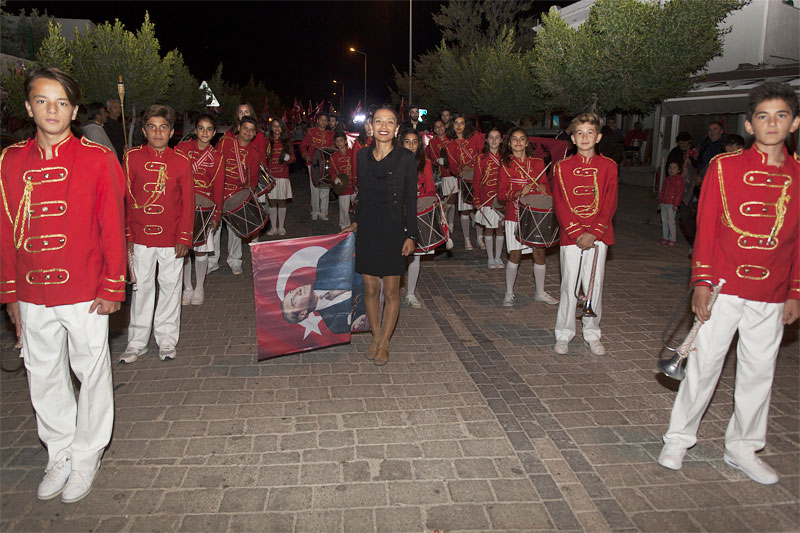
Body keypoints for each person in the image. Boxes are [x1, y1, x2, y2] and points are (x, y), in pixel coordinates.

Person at [658, 82, 800, 485]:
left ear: (794, 122)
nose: (772, 123)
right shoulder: (724, 167)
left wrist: (795, 291)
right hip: (722, 285)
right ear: (750, 125)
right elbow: (705, 230)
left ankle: (743, 448)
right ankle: (678, 438)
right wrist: (701, 280)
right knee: (703, 366)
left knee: (759, 372)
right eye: (762, 116)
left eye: (781, 115)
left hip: (771, 292)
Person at [1, 67, 125, 504]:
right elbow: (4, 229)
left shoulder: (97, 158)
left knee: (90, 373)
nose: (51, 110)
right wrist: (9, 292)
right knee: (43, 374)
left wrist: (113, 285)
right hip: (32, 290)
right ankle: (59, 451)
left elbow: (113, 225)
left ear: (73, 109)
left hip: (85, 288)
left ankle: (87, 453)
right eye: (41, 100)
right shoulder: (10, 160)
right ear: (28, 106)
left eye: (60, 102)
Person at [341, 107, 417, 366]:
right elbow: (362, 196)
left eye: (390, 122)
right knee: (370, 288)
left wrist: (412, 234)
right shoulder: (361, 156)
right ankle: (375, 337)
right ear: (370, 127)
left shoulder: (406, 158)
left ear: (396, 129)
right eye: (379, 121)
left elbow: (411, 199)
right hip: (369, 228)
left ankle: (384, 343)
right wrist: (355, 222)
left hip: (394, 229)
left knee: (391, 290)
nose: (384, 126)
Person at [121, 104, 194, 363]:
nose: (158, 132)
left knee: (170, 289)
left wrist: (184, 237)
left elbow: (188, 203)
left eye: (163, 127)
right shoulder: (131, 158)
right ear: (144, 131)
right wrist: (128, 236)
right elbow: (126, 200)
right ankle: (137, 342)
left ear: (172, 132)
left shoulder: (182, 162)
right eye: (152, 127)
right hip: (141, 238)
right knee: (141, 290)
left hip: (172, 239)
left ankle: (166, 340)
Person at [552, 113, 618, 356]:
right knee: (569, 285)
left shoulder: (609, 166)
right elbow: (559, 204)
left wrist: (593, 233)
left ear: (598, 137)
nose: (585, 137)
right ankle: (564, 333)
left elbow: (610, 203)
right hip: (571, 237)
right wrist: (578, 232)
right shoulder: (561, 167)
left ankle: (592, 333)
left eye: (590, 132)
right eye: (579, 133)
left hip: (598, 237)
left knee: (594, 286)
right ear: (572, 138)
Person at [497, 127, 559, 306]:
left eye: (521, 139)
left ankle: (540, 292)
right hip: (514, 214)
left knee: (539, 252)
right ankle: (509, 293)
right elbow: (501, 195)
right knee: (515, 254)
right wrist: (517, 192)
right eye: (514, 139)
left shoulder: (538, 163)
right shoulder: (506, 164)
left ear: (526, 142)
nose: (518, 142)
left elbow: (546, 190)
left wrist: (542, 190)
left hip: (535, 215)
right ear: (509, 143)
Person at [176, 114, 224, 305]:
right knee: (185, 249)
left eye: (209, 129)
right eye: (201, 128)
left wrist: (216, 214)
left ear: (214, 133)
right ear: (195, 130)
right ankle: (187, 287)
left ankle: (200, 287)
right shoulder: (182, 149)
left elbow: (218, 188)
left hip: (204, 207)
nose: (205, 132)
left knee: (201, 250)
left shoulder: (217, 157)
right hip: (182, 205)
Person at [212, 116, 263, 275]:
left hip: (236, 195)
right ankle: (211, 261)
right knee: (215, 228)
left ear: (254, 133)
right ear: (239, 128)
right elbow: (214, 163)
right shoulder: (226, 142)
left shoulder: (254, 152)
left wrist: (247, 194)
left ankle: (235, 260)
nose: (248, 132)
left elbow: (253, 178)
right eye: (245, 128)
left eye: (251, 130)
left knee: (235, 230)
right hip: (218, 191)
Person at [281, 237, 358, 334]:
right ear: (302, 314)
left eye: (291, 292)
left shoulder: (325, 263)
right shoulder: (335, 325)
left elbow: (354, 238)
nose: (296, 291)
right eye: (293, 300)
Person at [401, 129, 436, 309]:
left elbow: (430, 190)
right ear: (401, 143)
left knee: (415, 255)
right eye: (407, 142)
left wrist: (427, 203)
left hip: (417, 213)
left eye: (415, 142)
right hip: (398, 213)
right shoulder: (393, 162)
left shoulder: (426, 164)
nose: (411, 145)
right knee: (395, 254)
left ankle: (410, 293)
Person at [444, 113, 485, 250]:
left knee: (479, 209)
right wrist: (462, 169)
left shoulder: (475, 137)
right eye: (456, 123)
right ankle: (467, 240)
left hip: (479, 178)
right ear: (452, 125)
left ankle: (480, 238)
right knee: (465, 211)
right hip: (464, 181)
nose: (459, 126)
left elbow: (483, 154)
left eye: (462, 123)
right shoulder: (450, 146)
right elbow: (453, 167)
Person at [473, 127, 505, 269]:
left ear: (501, 140)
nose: (494, 140)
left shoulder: (506, 158)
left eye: (497, 137)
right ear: (486, 140)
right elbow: (476, 181)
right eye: (491, 137)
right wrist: (477, 199)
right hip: (486, 197)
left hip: (501, 199)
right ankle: (490, 258)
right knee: (489, 229)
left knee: (499, 229)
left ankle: (498, 257)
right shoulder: (481, 159)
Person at [300, 113, 335, 220]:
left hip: (326, 165)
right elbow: (302, 146)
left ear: (328, 122)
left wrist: (333, 146)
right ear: (317, 120)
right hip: (313, 164)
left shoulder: (331, 133)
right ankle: (315, 211)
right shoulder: (311, 131)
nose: (323, 122)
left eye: (325, 120)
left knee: (325, 187)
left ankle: (324, 212)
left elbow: (333, 146)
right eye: (321, 119)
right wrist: (306, 156)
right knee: (314, 188)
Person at [265, 118, 296, 236]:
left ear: (282, 128)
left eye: (279, 126)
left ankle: (281, 226)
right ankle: (273, 227)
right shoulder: (267, 141)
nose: (277, 128)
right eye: (274, 126)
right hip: (270, 176)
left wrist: (289, 158)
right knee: (272, 202)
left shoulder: (287, 142)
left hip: (283, 176)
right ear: (271, 128)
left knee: (282, 201)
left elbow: (293, 158)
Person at [426, 119, 455, 236]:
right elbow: (433, 159)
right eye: (436, 127)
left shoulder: (451, 138)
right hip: (444, 174)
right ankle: (448, 221)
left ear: (445, 126)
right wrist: (438, 161)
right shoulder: (433, 142)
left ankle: (452, 222)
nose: (439, 129)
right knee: (448, 199)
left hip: (456, 172)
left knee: (456, 200)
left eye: (441, 126)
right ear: (434, 130)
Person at [330, 132, 355, 230]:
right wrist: (335, 178)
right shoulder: (333, 157)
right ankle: (345, 227)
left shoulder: (352, 152)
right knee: (344, 209)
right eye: (337, 141)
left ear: (345, 141)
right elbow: (331, 171)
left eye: (341, 140)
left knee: (359, 207)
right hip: (343, 186)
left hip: (354, 185)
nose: (339, 143)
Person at [658, 161, 684, 247]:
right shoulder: (667, 179)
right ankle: (665, 237)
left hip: (672, 204)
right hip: (665, 202)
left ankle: (672, 238)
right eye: (670, 168)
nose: (671, 170)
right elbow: (663, 191)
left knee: (671, 221)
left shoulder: (678, 180)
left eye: (674, 168)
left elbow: (679, 193)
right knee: (664, 220)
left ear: (679, 170)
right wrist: (660, 201)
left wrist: (676, 204)